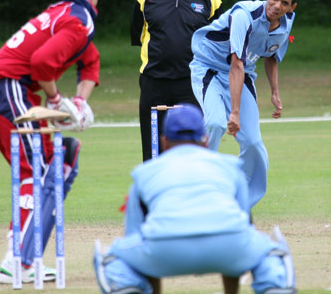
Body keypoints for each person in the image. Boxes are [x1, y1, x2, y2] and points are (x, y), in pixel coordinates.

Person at [0, 0, 103, 284]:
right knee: (40, 170)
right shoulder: (79, 19)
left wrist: (80, 101)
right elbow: (43, 63)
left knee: (41, 166)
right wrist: (58, 101)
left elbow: (90, 59)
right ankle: (18, 259)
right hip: (8, 89)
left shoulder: (62, 12)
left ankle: (23, 256)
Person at [93, 104, 296, 294]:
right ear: (206, 139)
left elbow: (135, 236)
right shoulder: (230, 167)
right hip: (229, 243)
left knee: (111, 258)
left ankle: (126, 286)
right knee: (273, 250)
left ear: (164, 142)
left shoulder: (144, 173)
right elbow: (243, 226)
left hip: (163, 248)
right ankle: (274, 285)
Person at [189, 0, 300, 208]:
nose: (277, 5)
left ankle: (239, 205)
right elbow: (236, 64)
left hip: (243, 75)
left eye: (284, 3)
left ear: (292, 7)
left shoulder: (286, 22)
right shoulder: (244, 15)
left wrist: (275, 92)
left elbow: (270, 55)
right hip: (209, 68)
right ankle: (199, 192)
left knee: (253, 143)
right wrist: (235, 113)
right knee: (216, 124)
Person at [130, 0, 222, 162]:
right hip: (154, 81)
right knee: (152, 151)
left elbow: (219, 43)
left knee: (192, 149)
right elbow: (138, 37)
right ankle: (154, 196)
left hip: (192, 83)